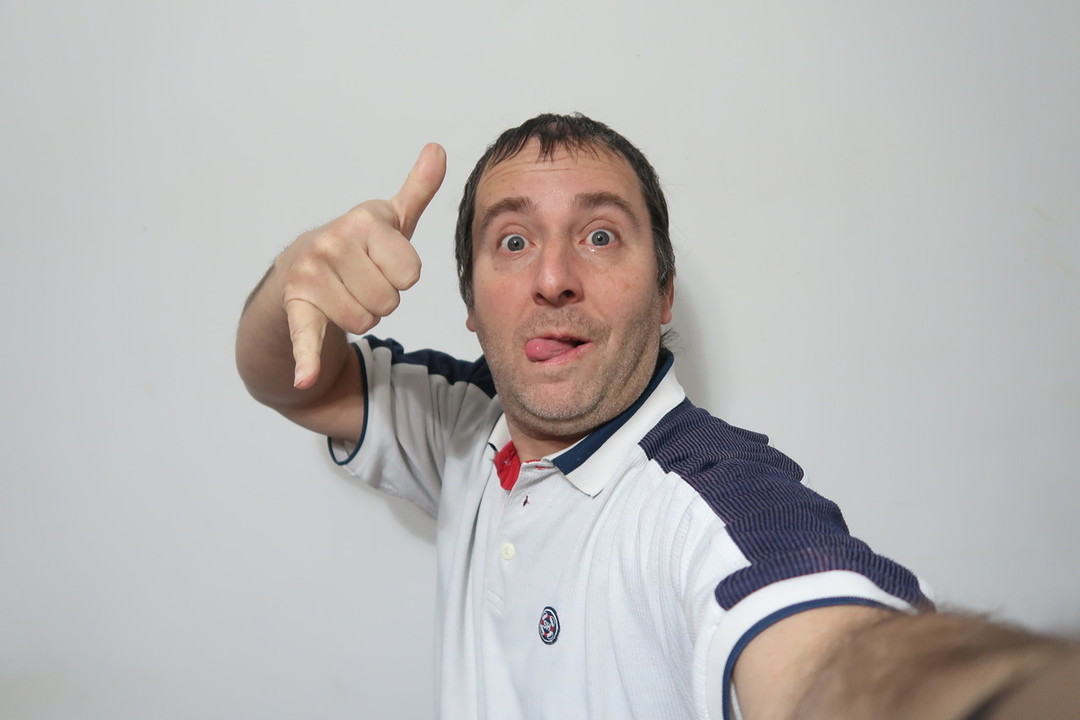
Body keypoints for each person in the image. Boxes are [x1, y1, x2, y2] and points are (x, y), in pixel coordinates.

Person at [236, 113, 1077, 719]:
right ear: (470, 305)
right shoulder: (461, 426)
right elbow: (292, 382)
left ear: (664, 292)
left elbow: (834, 656)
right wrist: (292, 278)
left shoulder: (713, 502)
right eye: (514, 241)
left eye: (600, 236)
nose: (554, 279)